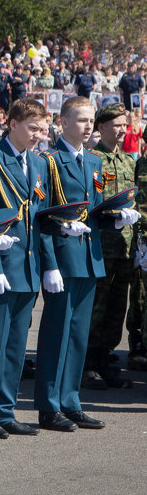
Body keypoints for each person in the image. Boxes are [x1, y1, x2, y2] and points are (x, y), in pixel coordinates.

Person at [0, 98, 56, 439]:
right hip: (1, 266)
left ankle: (5, 410)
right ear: (13, 123)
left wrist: (48, 266)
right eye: (33, 128)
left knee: (17, 344)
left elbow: (39, 218)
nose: (39, 135)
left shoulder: (37, 164)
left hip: (27, 265)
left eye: (42, 129)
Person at [36, 97, 121, 432]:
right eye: (82, 120)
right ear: (63, 122)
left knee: (77, 336)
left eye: (91, 120)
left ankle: (70, 401)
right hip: (63, 257)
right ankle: (49, 405)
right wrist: (49, 262)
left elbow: (96, 208)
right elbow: (40, 217)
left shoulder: (94, 161)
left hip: (89, 256)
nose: (88, 126)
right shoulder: (50, 161)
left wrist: (116, 217)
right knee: (57, 333)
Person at [86, 104, 145, 388]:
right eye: (115, 125)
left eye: (124, 125)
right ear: (101, 127)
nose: (121, 130)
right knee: (95, 308)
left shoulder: (128, 162)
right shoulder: (91, 159)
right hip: (100, 246)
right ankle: (86, 362)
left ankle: (104, 357)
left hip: (124, 247)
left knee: (116, 308)